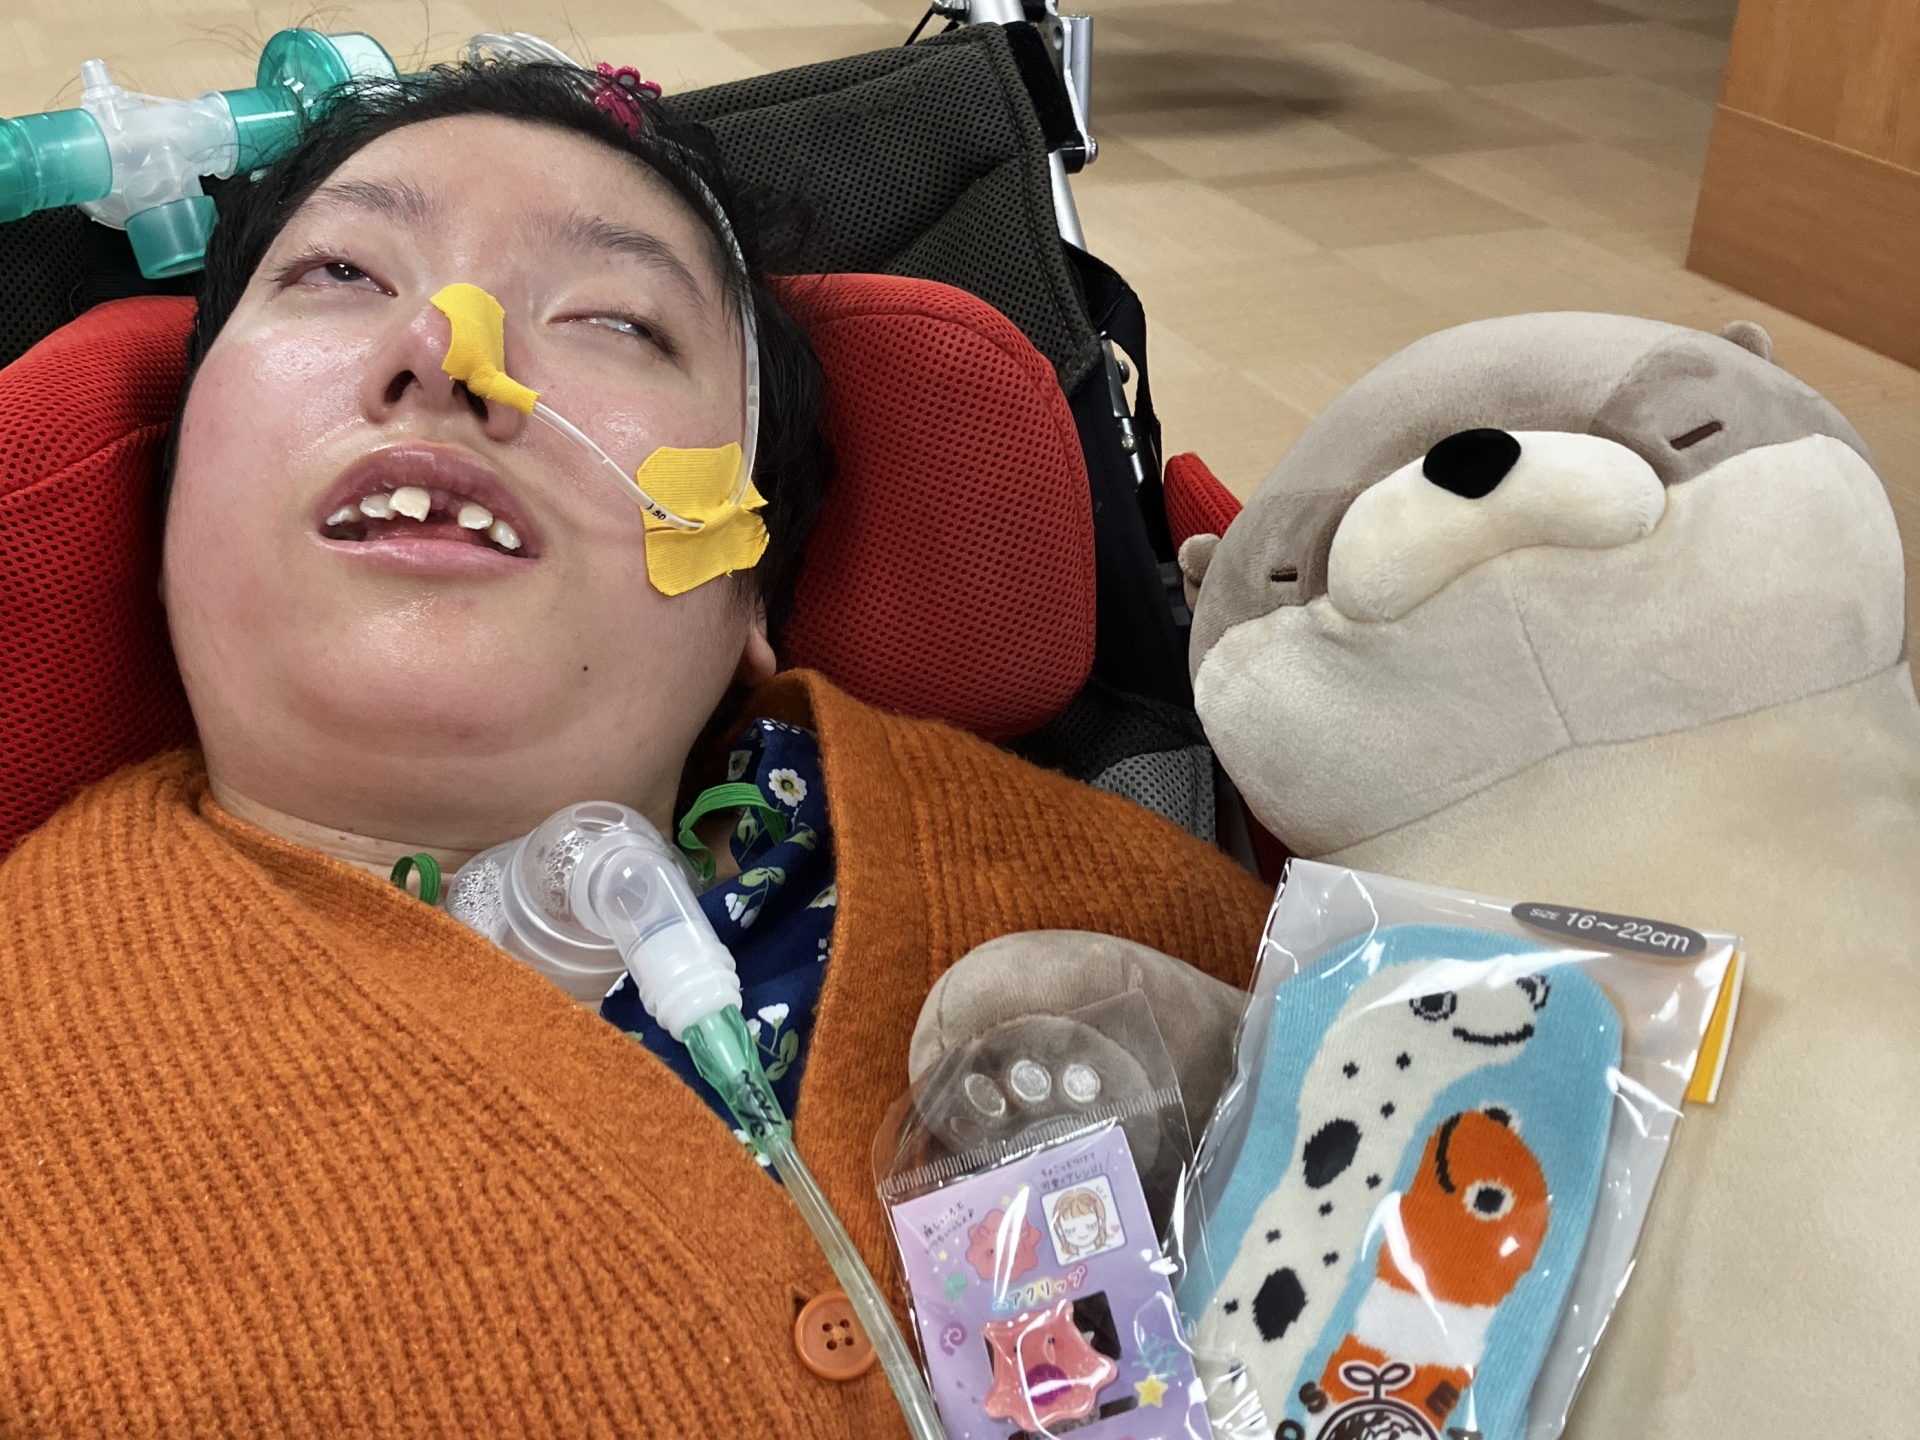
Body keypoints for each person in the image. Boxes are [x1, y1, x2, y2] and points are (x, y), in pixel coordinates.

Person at [0, 58, 1270, 1437]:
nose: (448, 346)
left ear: (750, 587)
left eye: (615, 318)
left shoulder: (1115, 909)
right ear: (174, 493)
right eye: (341, 273)